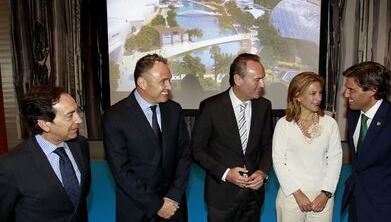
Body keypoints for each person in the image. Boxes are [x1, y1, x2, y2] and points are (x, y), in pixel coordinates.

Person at [103, 54, 191, 222]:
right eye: (163, 81)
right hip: (138, 209)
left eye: (169, 80)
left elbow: (184, 155)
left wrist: (173, 196)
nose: (169, 86)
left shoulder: (174, 110)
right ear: (142, 83)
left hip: (174, 207)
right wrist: (156, 205)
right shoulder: (115, 116)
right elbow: (121, 170)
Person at [191, 53, 273, 222]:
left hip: (253, 196)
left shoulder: (264, 106)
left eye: (262, 79)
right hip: (221, 195)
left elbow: (267, 145)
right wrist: (226, 173)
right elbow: (196, 150)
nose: (262, 84)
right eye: (257, 79)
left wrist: (263, 172)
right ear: (238, 79)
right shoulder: (211, 107)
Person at [0, 86, 91, 221]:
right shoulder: (10, 166)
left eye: (76, 111)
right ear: (44, 124)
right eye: (70, 115)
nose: (78, 119)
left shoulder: (80, 144)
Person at [341, 61, 391, 222]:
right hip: (357, 202)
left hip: (387, 210)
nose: (346, 94)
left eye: (351, 90)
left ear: (373, 90)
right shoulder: (354, 114)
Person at [272, 72, 343, 222]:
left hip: (322, 196)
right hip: (290, 195)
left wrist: (326, 193)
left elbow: (335, 160)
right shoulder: (283, 124)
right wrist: (297, 193)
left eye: (320, 93)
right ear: (297, 95)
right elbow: (278, 161)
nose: (319, 98)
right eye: (313, 93)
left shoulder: (330, 123)